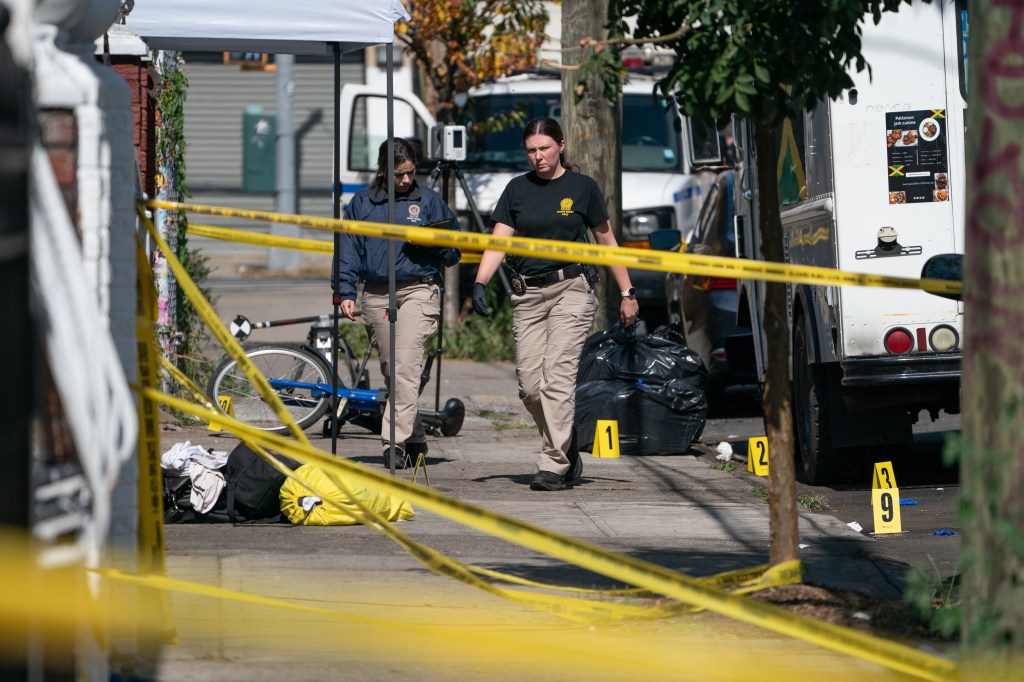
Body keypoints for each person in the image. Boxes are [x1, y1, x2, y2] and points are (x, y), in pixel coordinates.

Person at [471, 117, 639, 491]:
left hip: (572, 290)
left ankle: (553, 463)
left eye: (544, 148)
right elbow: (498, 241)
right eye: (531, 150)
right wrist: (480, 282)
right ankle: (566, 443)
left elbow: (607, 242)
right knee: (530, 387)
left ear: (561, 145)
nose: (537, 156)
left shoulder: (582, 188)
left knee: (557, 380)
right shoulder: (517, 190)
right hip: (528, 294)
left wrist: (628, 293)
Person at [336, 138, 461, 469]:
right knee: (394, 371)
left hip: (419, 289)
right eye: (399, 174)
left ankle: (392, 442)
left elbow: (454, 250)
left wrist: (430, 243)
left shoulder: (429, 201)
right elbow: (347, 251)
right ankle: (416, 436)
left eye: (410, 173)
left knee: (406, 367)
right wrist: (344, 292)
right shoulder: (361, 204)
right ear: (383, 170)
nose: (406, 180)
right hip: (377, 292)